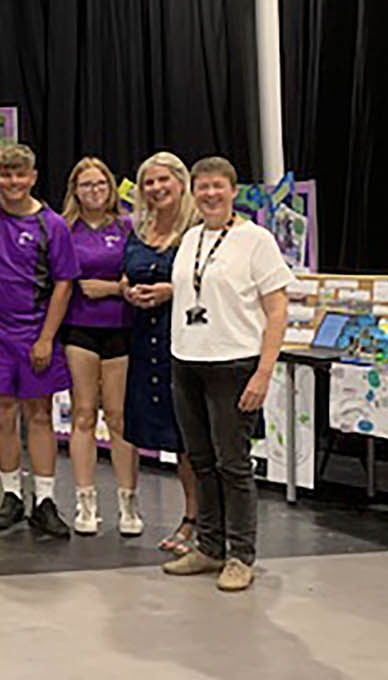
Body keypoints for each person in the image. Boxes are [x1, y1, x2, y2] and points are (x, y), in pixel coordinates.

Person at [162, 156, 290, 593]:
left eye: (218, 186)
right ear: (193, 193)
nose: (210, 194)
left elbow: (276, 310)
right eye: (202, 187)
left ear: (233, 190)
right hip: (187, 361)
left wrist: (263, 372)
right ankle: (209, 547)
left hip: (234, 365)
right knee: (201, 461)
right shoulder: (191, 237)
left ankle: (240, 554)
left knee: (232, 463)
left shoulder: (256, 240)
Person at [0, 144, 80, 539]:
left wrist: (47, 338)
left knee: (38, 414)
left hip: (35, 332)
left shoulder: (52, 225)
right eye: (5, 174)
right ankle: (11, 496)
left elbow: (64, 284)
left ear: (33, 177)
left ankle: (46, 500)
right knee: (1, 413)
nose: (13, 182)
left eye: (20, 174)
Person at [60, 157, 141, 536]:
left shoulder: (127, 227)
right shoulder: (64, 228)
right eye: (86, 184)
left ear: (110, 188)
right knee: (84, 414)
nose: (94, 191)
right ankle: (85, 502)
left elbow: (136, 276)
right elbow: (63, 280)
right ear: (75, 189)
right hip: (79, 330)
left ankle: (128, 502)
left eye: (100, 184)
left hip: (121, 329)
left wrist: (109, 288)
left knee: (119, 417)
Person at [122, 152, 198, 555]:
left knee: (192, 438)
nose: (156, 189)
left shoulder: (198, 229)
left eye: (163, 180)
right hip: (145, 341)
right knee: (172, 437)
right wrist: (126, 290)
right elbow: (128, 270)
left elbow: (214, 280)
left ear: (181, 182)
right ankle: (194, 516)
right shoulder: (140, 229)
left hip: (188, 343)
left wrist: (172, 291)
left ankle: (199, 520)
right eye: (148, 182)